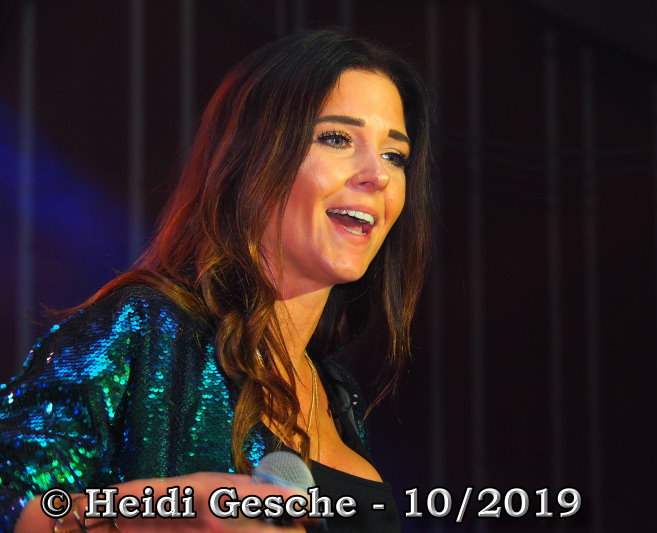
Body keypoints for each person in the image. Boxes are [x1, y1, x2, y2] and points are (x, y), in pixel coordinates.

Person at [1, 29, 432, 532]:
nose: (378, 175)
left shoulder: (337, 396)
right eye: (337, 139)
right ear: (252, 158)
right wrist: (145, 517)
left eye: (394, 156)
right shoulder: (149, 327)